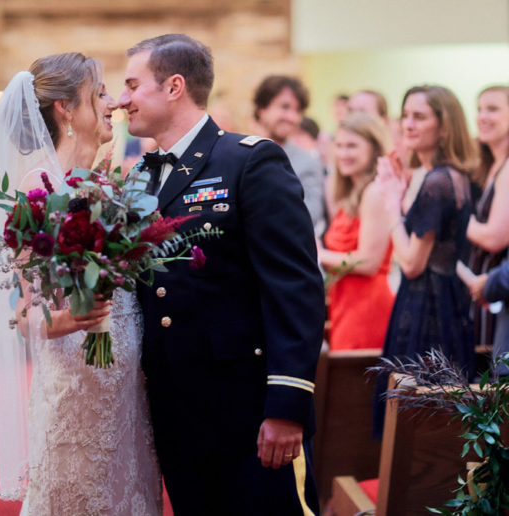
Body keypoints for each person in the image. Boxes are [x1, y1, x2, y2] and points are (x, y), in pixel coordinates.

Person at [120, 34, 324, 515]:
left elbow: (295, 290)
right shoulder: (141, 178)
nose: (123, 98)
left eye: (132, 84)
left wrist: (286, 406)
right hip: (177, 409)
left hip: (246, 411)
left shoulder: (249, 161)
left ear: (174, 87)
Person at [0, 53, 162, 515]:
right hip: (76, 389)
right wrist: (67, 319)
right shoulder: (37, 190)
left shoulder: (111, 184)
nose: (113, 103)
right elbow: (24, 314)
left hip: (128, 390)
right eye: (100, 93)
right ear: (65, 108)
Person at [373, 85, 476, 437]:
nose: (408, 124)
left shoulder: (437, 181)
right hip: (448, 302)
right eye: (406, 116)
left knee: (415, 423)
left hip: (425, 307)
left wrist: (390, 204)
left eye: (420, 117)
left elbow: (412, 262)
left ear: (444, 127)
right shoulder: (454, 176)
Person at [317, 113, 394, 350]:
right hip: (346, 302)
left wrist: (318, 254)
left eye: (352, 146)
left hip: (367, 306)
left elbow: (369, 262)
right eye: (339, 146)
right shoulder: (352, 192)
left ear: (374, 148)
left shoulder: (374, 192)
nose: (343, 154)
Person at [253, 75, 326, 236]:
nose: (292, 117)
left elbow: (310, 214)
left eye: (298, 110)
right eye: (284, 107)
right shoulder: (240, 153)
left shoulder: (307, 162)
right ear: (262, 109)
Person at [466, 86, 509, 359]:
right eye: (480, 109)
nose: (482, 116)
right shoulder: (489, 166)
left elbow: (496, 237)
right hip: (483, 293)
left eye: (493, 109)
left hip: (497, 294)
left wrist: (457, 220)